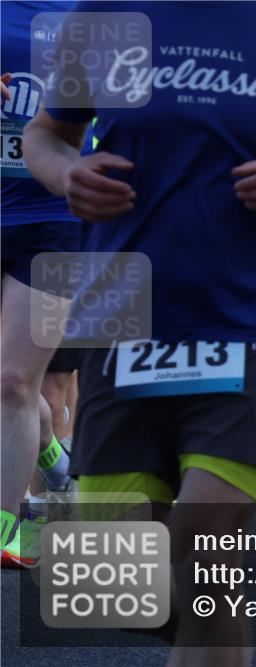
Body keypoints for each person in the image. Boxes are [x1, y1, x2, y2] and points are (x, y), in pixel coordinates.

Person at [24, 2, 256, 664]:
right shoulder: (109, 15)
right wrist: (66, 173)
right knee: (109, 581)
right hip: (125, 316)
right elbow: (45, 135)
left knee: (201, 543)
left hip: (253, 320)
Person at [1, 1, 80, 569]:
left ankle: (9, 532)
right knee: (17, 393)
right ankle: (56, 459)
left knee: (12, 383)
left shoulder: (98, 13)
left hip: (56, 219)